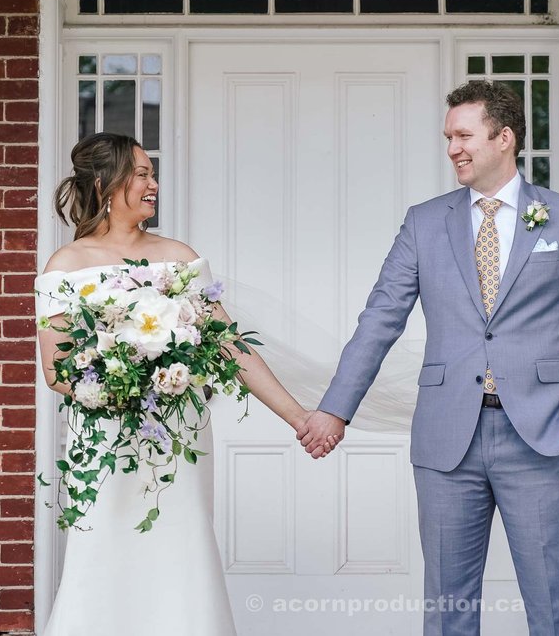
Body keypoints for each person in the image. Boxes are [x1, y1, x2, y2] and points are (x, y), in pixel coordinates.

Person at [297, 80, 559, 635]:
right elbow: (380, 320)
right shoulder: (425, 222)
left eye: (464, 135)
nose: (453, 149)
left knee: (554, 607)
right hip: (448, 441)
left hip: (542, 437)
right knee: (448, 610)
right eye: (448, 138)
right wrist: (335, 409)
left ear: (505, 139)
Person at [34, 133, 334, 635]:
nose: (154, 184)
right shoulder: (66, 267)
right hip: (106, 438)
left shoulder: (179, 259)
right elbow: (57, 370)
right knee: (103, 547)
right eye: (143, 174)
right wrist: (128, 382)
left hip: (177, 437)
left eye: (153, 174)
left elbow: (230, 347)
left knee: (181, 544)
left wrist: (299, 417)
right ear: (107, 182)